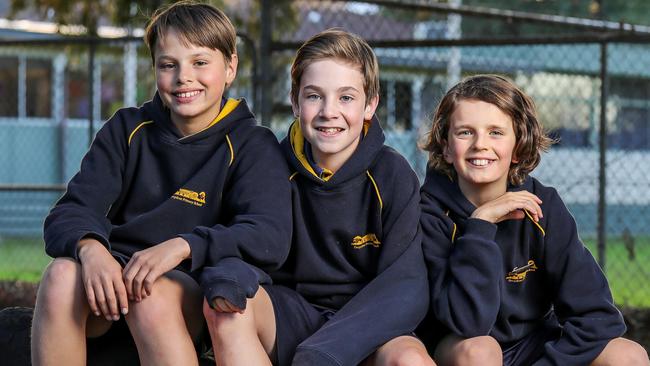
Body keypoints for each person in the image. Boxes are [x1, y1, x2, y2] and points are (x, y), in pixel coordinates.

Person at [30, 2, 291, 365]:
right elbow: (70, 211)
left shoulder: (252, 144)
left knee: (149, 294)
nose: (184, 76)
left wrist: (183, 246)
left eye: (200, 63)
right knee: (60, 276)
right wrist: (91, 249)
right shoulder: (126, 129)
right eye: (169, 64)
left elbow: (268, 236)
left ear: (230, 67)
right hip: (117, 283)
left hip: (191, 289)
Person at [200, 28, 433, 366]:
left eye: (346, 98)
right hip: (292, 313)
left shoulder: (392, 174)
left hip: (369, 321)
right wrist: (230, 276)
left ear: (370, 105)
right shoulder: (267, 166)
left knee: (410, 360)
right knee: (228, 308)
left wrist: (323, 352)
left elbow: (405, 286)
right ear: (295, 101)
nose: (329, 111)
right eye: (314, 96)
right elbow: (246, 240)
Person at [419, 74, 649, 365]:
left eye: (496, 132)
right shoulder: (428, 214)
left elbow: (598, 317)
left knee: (628, 355)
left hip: (532, 343)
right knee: (479, 351)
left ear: (518, 147)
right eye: (465, 132)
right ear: (447, 147)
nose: (480, 144)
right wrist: (480, 225)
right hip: (458, 345)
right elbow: (468, 323)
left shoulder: (543, 206)